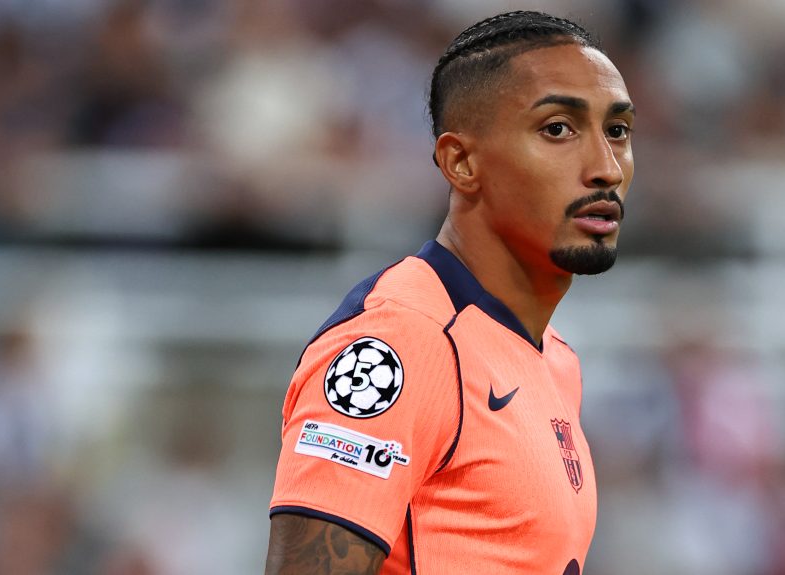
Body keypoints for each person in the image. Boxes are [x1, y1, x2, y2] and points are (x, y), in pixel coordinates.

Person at [265, 10, 635, 575]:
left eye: (618, 131)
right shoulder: (402, 340)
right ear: (461, 162)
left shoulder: (556, 359)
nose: (606, 168)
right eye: (558, 129)